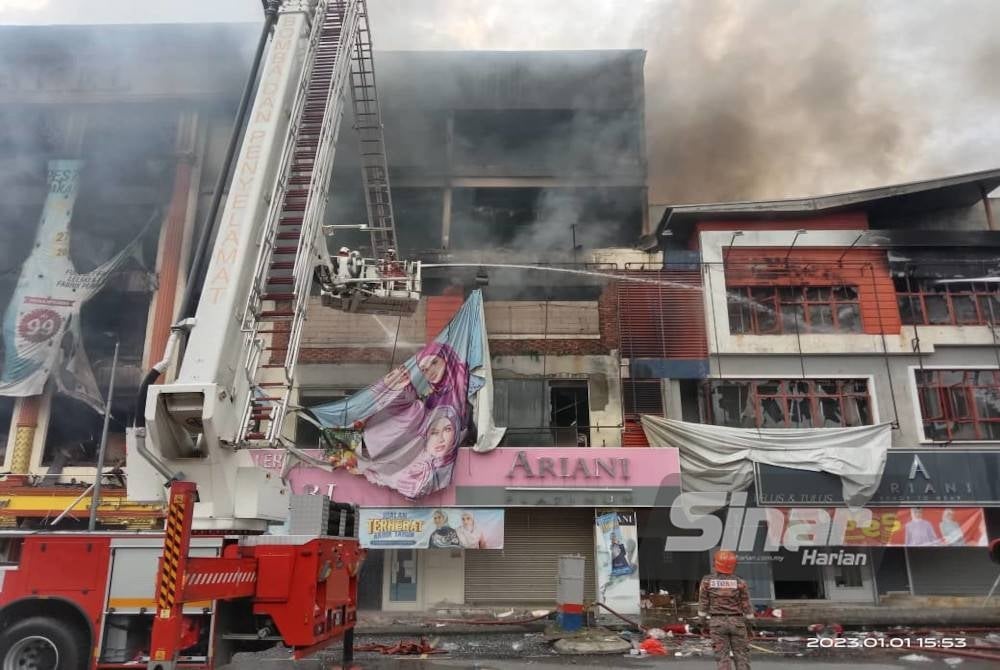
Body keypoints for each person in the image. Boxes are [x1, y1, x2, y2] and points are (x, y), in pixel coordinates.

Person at [698, 550, 753, 670]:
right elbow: (746, 605)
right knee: (742, 656)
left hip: (717, 623)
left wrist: (702, 623)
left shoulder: (707, 581)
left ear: (716, 564)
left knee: (722, 657)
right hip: (737, 622)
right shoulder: (740, 582)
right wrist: (750, 625)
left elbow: (703, 604)